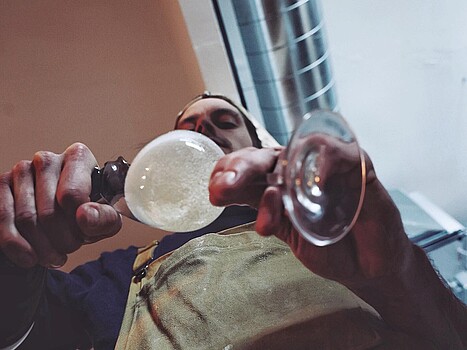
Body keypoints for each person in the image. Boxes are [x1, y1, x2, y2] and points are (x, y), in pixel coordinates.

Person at [0, 92, 465, 349]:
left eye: (224, 119)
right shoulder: (118, 270)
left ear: (259, 143)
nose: (202, 129)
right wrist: (11, 260)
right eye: (185, 129)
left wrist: (398, 273)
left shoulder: (348, 235)